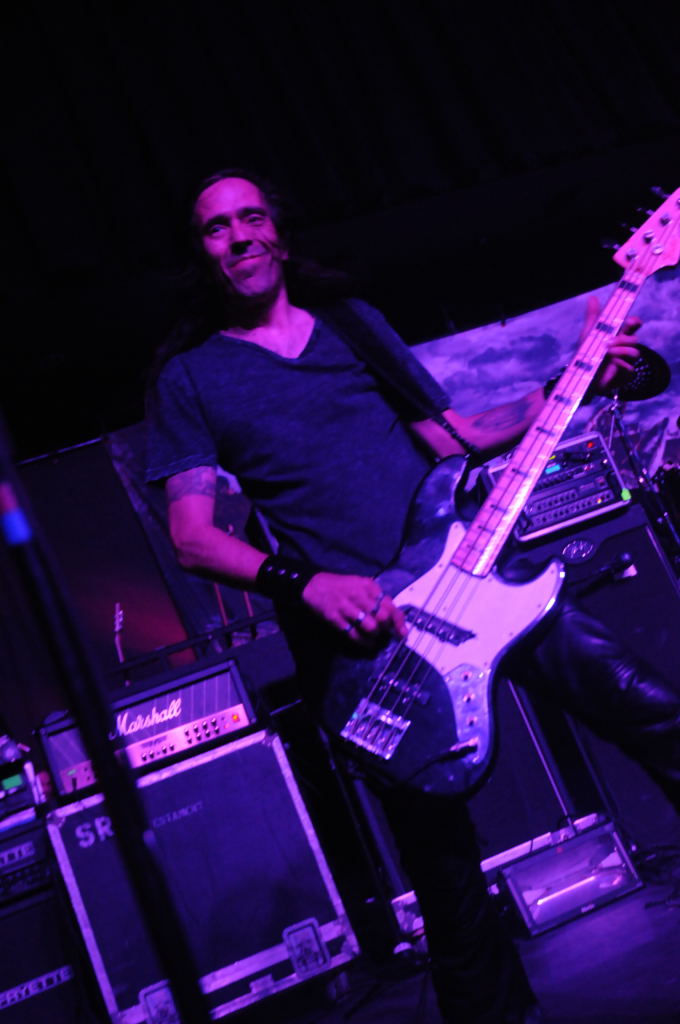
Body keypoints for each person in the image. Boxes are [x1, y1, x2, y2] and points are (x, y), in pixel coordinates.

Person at [145, 170, 680, 1023]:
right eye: (217, 227)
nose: (239, 236)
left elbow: (452, 437)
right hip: (366, 641)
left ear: (279, 232)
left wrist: (564, 384)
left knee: (653, 709)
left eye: (252, 217)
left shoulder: (353, 325)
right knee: (446, 879)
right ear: (200, 252)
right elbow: (192, 536)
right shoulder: (190, 379)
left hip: (475, 574)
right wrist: (305, 582)